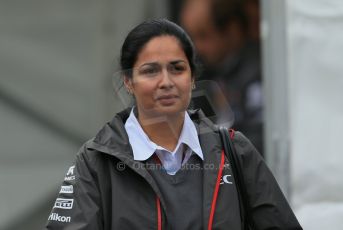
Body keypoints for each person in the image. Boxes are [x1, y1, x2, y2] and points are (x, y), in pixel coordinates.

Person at [45, 19, 301, 230]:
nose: (166, 81)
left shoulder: (234, 151)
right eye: (150, 71)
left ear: (192, 78)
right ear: (128, 81)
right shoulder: (96, 161)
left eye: (177, 68)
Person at [180, 0, 263, 153]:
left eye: (203, 35)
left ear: (232, 30)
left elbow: (256, 143)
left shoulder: (259, 73)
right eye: (192, 37)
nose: (197, 47)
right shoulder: (205, 71)